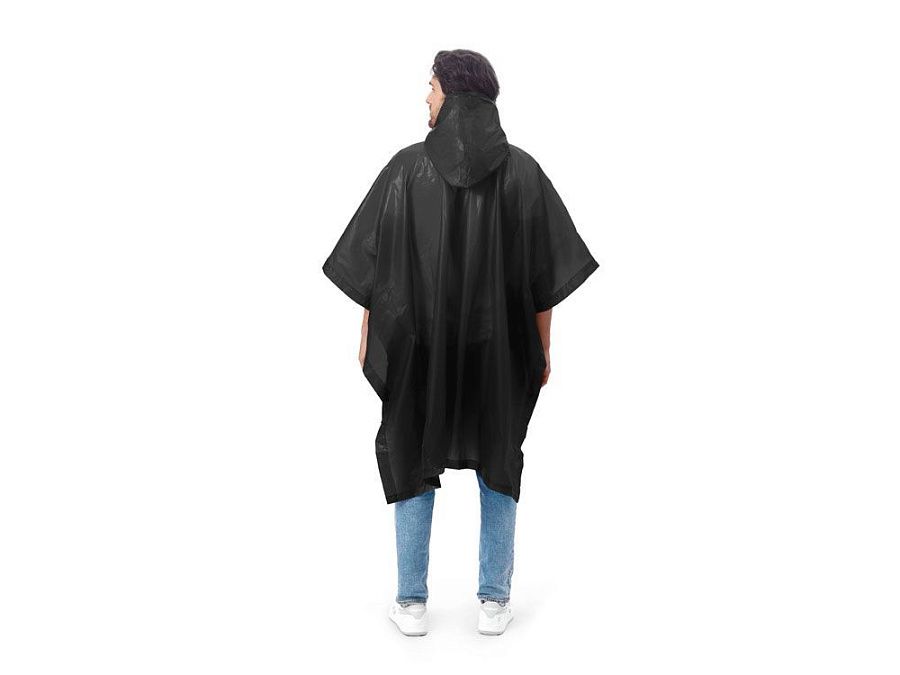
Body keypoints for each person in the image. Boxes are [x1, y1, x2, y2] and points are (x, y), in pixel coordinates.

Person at [322, 49, 599, 636]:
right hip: (500, 347)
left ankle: (411, 602)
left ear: (452, 93)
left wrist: (370, 332)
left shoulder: (405, 169)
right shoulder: (523, 172)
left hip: (418, 344)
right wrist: (543, 347)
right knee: (499, 450)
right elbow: (544, 277)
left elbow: (374, 264)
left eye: (431, 86)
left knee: (412, 444)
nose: (425, 97)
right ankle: (494, 602)